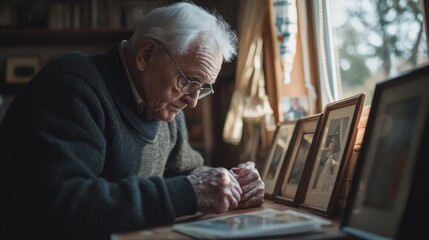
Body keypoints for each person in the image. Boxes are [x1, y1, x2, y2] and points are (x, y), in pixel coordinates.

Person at [0, 2, 264, 239]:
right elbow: (62, 205)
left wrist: (232, 183)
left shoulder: (164, 104)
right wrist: (189, 193)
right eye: (188, 81)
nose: (193, 101)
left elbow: (184, 172)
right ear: (146, 54)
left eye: (203, 87)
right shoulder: (72, 89)